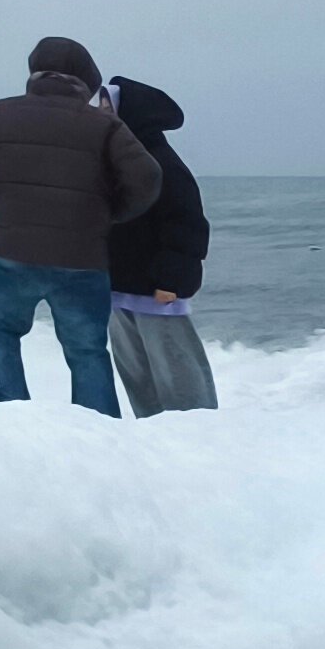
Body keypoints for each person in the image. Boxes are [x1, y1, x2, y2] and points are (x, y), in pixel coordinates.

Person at [0, 35, 158, 416]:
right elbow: (147, 178)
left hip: (10, 253)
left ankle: (9, 412)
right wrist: (108, 215)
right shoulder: (104, 126)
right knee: (86, 348)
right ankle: (99, 427)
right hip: (83, 259)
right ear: (85, 82)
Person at [103, 75, 219, 414]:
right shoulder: (114, 161)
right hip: (118, 287)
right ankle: (152, 432)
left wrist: (172, 281)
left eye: (106, 105)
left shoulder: (161, 161)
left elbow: (187, 224)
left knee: (177, 370)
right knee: (137, 371)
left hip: (157, 290)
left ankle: (200, 429)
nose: (99, 111)